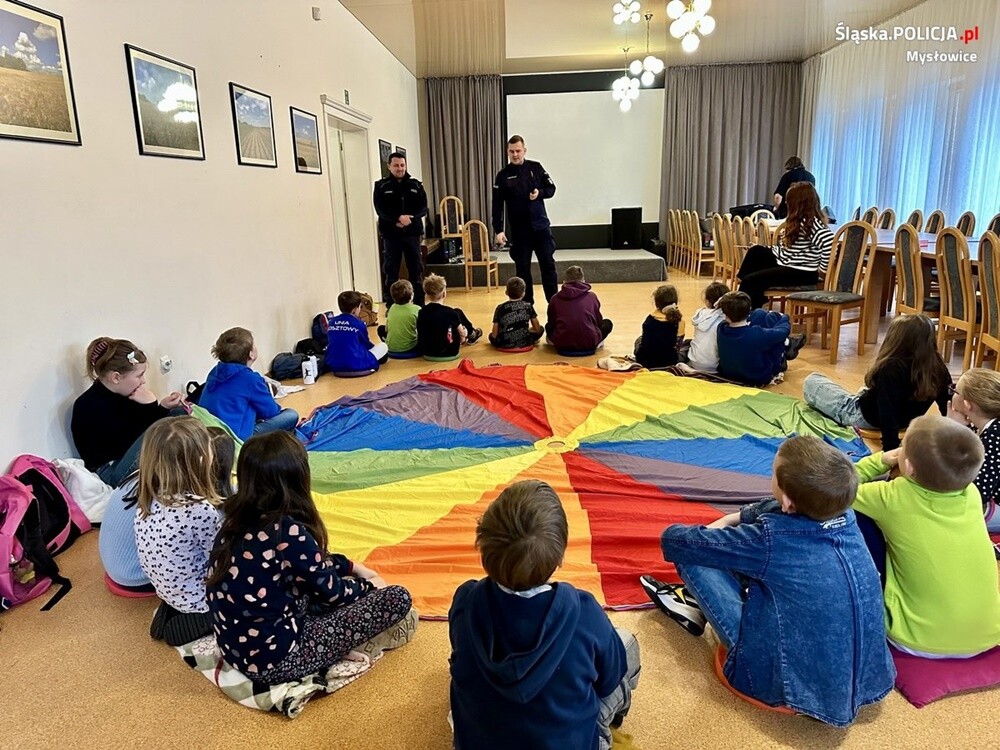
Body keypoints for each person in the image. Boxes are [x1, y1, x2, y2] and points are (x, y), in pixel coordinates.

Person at [643, 436, 894, 727]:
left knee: (696, 555)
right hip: (868, 678)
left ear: (787, 500)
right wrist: (738, 517)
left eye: (772, 473)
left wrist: (719, 528)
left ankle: (693, 602)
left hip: (784, 685)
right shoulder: (846, 517)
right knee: (748, 556)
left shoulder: (773, 538)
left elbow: (677, 541)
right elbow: (775, 510)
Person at [206, 431, 413, 684]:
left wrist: (349, 566)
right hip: (276, 661)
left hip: (237, 650)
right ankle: (329, 653)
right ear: (298, 477)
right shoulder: (286, 530)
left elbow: (310, 565)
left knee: (317, 589)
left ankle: (330, 646)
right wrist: (370, 585)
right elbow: (334, 593)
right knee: (397, 597)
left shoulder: (234, 521)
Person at [449, 480, 640, 750]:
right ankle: (609, 726)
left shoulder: (466, 600)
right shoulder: (584, 613)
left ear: (482, 546)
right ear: (560, 555)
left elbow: (461, 650)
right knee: (626, 643)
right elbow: (609, 678)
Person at [852, 415, 1000, 656]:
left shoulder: (892, 496)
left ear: (909, 466)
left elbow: (835, 488)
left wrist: (879, 460)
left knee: (858, 517)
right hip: (989, 635)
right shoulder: (972, 494)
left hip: (915, 640)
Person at [99, 427, 235, 593]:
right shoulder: (183, 500)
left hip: (117, 565)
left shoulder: (145, 475)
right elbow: (215, 550)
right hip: (136, 576)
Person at [134, 416, 223, 647]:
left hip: (168, 589)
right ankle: (199, 620)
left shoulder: (148, 498)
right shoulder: (199, 509)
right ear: (201, 458)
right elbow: (219, 561)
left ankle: (174, 610)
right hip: (198, 598)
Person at [803, 314, 951, 451]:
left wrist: (891, 449)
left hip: (863, 417)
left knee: (812, 380)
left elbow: (887, 413)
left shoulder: (890, 369)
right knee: (868, 390)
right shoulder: (938, 367)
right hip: (904, 420)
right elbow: (948, 404)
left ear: (895, 340)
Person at [71, 337, 185, 488]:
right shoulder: (89, 406)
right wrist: (151, 405)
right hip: (112, 472)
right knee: (167, 428)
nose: (143, 381)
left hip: (128, 454)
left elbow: (140, 429)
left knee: (178, 413)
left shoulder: (125, 393)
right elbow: (130, 442)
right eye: (139, 375)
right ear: (116, 377)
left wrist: (163, 407)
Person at [737, 182, 833, 309]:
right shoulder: (798, 221)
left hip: (802, 272)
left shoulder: (810, 223)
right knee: (756, 251)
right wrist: (767, 248)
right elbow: (788, 251)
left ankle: (743, 306)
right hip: (790, 264)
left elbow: (828, 241)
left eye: (789, 201)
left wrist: (822, 270)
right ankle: (751, 295)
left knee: (750, 281)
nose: (786, 204)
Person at [198, 327, 299, 441]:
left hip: (209, 437)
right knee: (291, 415)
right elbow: (271, 412)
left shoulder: (214, 371)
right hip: (237, 439)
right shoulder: (251, 379)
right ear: (251, 354)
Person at [492, 135, 557, 305]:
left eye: (518, 151)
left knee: (548, 267)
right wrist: (498, 230)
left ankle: (554, 306)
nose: (515, 154)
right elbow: (497, 205)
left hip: (541, 228)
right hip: (520, 232)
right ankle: (527, 309)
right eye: (511, 151)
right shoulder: (503, 176)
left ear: (524, 151)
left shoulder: (536, 167)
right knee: (522, 271)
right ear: (507, 152)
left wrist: (539, 193)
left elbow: (551, 188)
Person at [948, 368, 1000, 531]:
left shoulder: (994, 437)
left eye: (954, 390)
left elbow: (979, 492)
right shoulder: (989, 425)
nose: (951, 393)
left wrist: (953, 429)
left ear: (967, 404)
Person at [373, 151, 427, 307]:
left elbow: (423, 208)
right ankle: (391, 306)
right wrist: (398, 218)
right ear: (389, 166)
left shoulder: (416, 185)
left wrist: (410, 219)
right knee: (391, 272)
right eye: (396, 165)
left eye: (402, 165)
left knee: (416, 271)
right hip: (391, 235)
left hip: (412, 234)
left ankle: (419, 305)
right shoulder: (381, 186)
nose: (400, 168)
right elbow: (380, 210)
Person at [716, 292, 804, 387]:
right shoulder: (757, 334)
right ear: (749, 309)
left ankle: (789, 344)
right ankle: (787, 346)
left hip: (728, 374)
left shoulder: (721, 328)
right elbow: (783, 331)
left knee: (759, 313)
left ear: (725, 313)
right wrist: (784, 317)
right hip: (758, 378)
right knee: (774, 334)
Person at [545, 266, 613, 354]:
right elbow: (598, 321)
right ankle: (596, 342)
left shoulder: (555, 298)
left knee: (548, 326)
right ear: (583, 281)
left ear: (564, 281)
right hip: (589, 342)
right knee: (607, 323)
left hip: (562, 343)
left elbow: (551, 321)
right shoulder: (592, 296)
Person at [417, 274, 482, 358]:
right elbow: (462, 335)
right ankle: (472, 334)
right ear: (444, 294)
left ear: (426, 294)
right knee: (456, 314)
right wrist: (464, 333)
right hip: (449, 351)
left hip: (427, 351)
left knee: (457, 312)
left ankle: (472, 333)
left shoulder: (421, 312)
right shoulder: (450, 313)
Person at [324, 290, 390, 374]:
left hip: (333, 363)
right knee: (383, 346)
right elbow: (366, 344)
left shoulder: (331, 322)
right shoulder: (359, 323)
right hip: (357, 363)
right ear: (355, 309)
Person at [683, 281, 729, 373]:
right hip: (714, 367)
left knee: (688, 342)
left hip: (694, 362)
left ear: (707, 301)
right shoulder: (727, 318)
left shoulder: (700, 314)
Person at [634, 284, 682, 369]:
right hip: (669, 362)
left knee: (638, 340)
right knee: (687, 345)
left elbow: (645, 346)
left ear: (656, 303)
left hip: (646, 363)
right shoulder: (679, 321)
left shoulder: (649, 320)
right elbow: (677, 346)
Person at [490, 276, 543, 349]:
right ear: (523, 294)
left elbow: (494, 334)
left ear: (506, 292)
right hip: (525, 342)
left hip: (504, 343)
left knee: (491, 336)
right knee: (541, 329)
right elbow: (537, 328)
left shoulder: (500, 307)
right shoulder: (528, 306)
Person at [378, 279, 421, 356]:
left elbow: (386, 329)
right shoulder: (417, 309)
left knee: (380, 328)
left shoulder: (392, 307)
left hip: (391, 348)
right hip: (409, 348)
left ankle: (389, 342)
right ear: (412, 296)